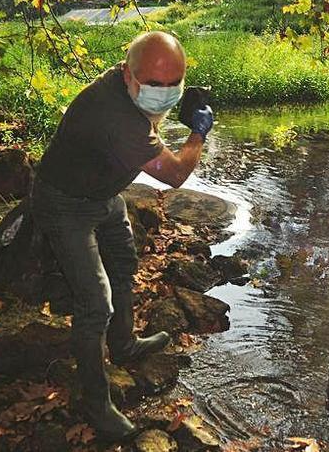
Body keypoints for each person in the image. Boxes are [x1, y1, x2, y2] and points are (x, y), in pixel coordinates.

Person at [30, 31, 214, 440]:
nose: (163, 93)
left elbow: (147, 122)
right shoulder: (116, 116)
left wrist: (168, 108)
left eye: (173, 85)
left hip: (103, 191)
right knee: (95, 303)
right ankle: (96, 401)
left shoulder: (124, 87)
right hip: (65, 201)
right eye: (153, 84)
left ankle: (125, 344)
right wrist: (198, 133)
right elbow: (175, 174)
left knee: (124, 261)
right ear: (128, 74)